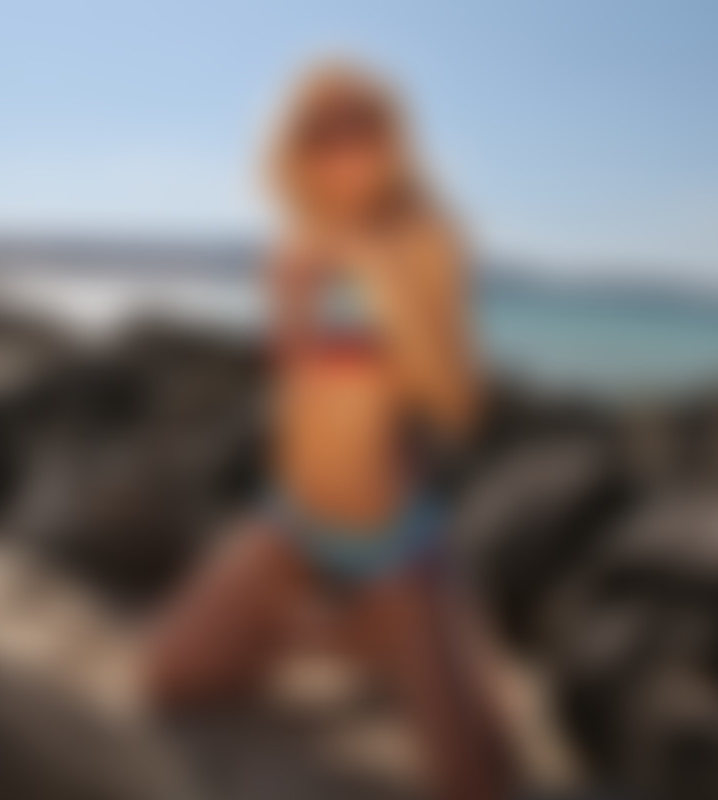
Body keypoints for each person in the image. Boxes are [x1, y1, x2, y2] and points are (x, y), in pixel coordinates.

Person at [144, 59, 512, 800]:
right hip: (297, 517)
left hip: (395, 535)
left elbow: (457, 402)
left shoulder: (428, 235)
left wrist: (377, 275)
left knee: (475, 780)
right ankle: (357, 638)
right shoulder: (293, 245)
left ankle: (404, 630)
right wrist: (297, 294)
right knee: (170, 679)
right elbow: (298, 388)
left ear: (392, 139)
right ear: (295, 147)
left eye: (359, 126)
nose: (341, 146)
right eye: (320, 130)